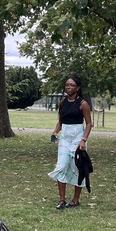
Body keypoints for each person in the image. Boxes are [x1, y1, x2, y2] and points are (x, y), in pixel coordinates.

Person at [48, 73, 93, 209]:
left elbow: (89, 123)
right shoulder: (63, 103)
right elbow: (61, 121)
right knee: (61, 166)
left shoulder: (83, 104)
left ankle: (75, 199)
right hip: (65, 139)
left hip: (78, 138)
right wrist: (55, 132)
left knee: (77, 168)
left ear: (77, 88)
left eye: (71, 85)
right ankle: (62, 199)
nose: (68, 87)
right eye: (67, 85)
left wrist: (83, 140)